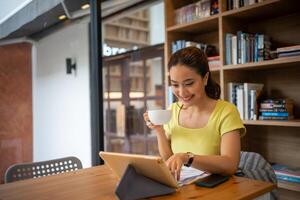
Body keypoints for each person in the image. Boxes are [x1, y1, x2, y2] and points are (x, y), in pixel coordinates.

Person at [143, 46, 246, 180]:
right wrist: (159, 130)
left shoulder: (226, 112)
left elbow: (230, 165)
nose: (181, 92)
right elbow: (170, 160)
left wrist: (187, 158)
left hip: (215, 189)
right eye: (175, 85)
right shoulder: (172, 111)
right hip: (183, 187)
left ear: (205, 78)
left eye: (189, 83)